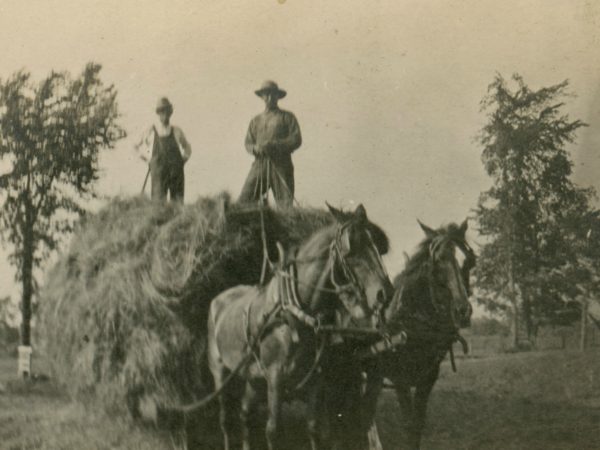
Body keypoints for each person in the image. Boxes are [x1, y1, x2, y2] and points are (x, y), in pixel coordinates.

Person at [238, 80, 302, 208]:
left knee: (285, 206)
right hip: (260, 164)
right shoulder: (255, 121)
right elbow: (248, 143)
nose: (269, 98)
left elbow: (296, 139)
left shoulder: (287, 117)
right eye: (266, 94)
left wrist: (275, 145)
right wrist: (255, 148)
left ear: (278, 96)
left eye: (273, 94)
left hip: (281, 164)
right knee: (244, 201)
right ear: (261, 97)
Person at [134, 97, 191, 202]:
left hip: (176, 174)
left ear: (170, 113)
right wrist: (147, 159)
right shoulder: (150, 130)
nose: (165, 115)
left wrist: (183, 160)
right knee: (158, 206)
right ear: (158, 113)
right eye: (162, 111)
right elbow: (135, 146)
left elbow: (188, 148)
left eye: (167, 111)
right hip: (158, 174)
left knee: (177, 205)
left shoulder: (177, 131)